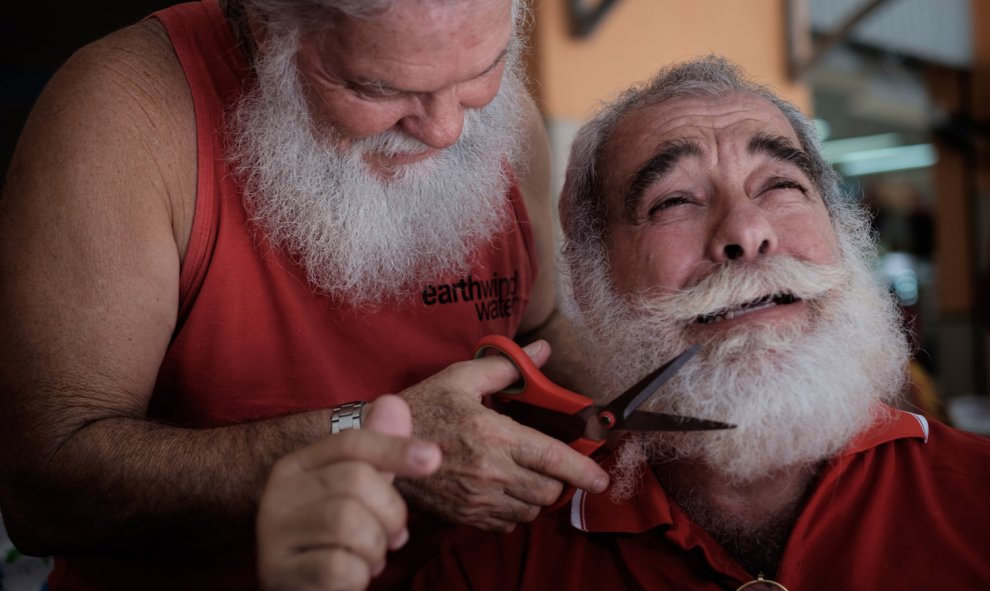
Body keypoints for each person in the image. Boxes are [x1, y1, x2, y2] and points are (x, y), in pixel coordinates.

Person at [266, 55, 989, 589]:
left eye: (781, 185)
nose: (746, 230)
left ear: (846, 234)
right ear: (589, 278)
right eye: (674, 200)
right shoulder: (492, 571)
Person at [0, 0, 610, 589]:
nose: (447, 129)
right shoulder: (123, 116)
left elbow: (538, 324)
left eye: (484, 69)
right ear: (268, 29)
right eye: (379, 89)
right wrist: (371, 440)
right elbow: (46, 487)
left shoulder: (497, 115)